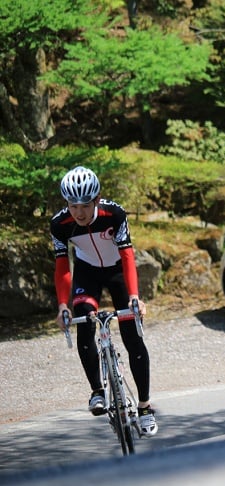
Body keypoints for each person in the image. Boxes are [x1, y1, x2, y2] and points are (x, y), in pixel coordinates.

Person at [50, 166, 157, 436]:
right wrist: (63, 305)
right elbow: (63, 266)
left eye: (85, 205)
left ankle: (144, 406)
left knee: (133, 337)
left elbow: (129, 255)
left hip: (118, 271)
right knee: (84, 318)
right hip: (88, 273)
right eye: (73, 205)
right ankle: (97, 390)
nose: (79, 212)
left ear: (97, 200)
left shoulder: (114, 214)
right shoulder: (59, 224)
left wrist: (135, 296)